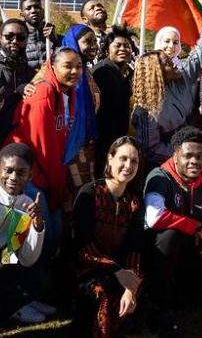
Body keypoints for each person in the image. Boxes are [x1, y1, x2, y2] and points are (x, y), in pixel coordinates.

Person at [144, 126, 202, 336]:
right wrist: (195, 226)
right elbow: (154, 217)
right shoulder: (159, 177)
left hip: (187, 256)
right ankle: (158, 307)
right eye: (188, 156)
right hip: (154, 258)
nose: (194, 161)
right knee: (169, 235)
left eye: (199, 156)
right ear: (175, 156)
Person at [5, 47, 82, 256]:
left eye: (79, 66)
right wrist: (57, 187)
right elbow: (42, 147)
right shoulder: (43, 91)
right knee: (35, 237)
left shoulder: (70, 93)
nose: (75, 71)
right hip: (24, 174)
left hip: (45, 172)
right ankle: (21, 278)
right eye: (68, 66)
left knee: (54, 233)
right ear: (52, 67)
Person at [132, 8, 202, 172]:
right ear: (157, 72)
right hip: (162, 168)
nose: (174, 63)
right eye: (167, 63)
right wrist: (180, 153)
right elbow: (150, 149)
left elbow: (200, 52)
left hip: (189, 157)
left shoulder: (184, 77)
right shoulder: (145, 110)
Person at [72, 136, 144, 338]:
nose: (128, 165)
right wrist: (116, 270)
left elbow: (135, 248)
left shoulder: (135, 202)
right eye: (123, 158)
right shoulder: (90, 194)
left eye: (134, 161)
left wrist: (132, 286)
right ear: (110, 159)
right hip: (87, 268)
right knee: (102, 295)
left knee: (127, 297)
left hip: (121, 270)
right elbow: (82, 245)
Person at [0, 143, 47, 332]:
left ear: (30, 176)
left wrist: (36, 225)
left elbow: (27, 259)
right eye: (8, 171)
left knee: (39, 280)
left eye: (21, 172)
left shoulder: (25, 206)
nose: (13, 177)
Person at [0, 19, 35, 178]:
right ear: (0, 37)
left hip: (14, 142)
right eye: (9, 36)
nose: (15, 41)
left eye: (21, 38)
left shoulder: (30, 71)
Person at [60, 24, 101, 193]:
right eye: (87, 42)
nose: (93, 46)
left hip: (87, 143)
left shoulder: (87, 72)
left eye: (94, 41)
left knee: (85, 190)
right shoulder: (60, 74)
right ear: (74, 43)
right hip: (68, 143)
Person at [92, 25, 135, 177]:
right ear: (106, 50)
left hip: (121, 138)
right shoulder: (101, 72)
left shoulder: (129, 73)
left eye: (127, 46)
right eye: (118, 45)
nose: (123, 49)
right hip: (103, 140)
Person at [20, 0, 60, 70]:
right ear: (22, 14)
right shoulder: (17, 39)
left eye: (37, 7)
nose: (33, 10)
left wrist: (55, 41)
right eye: (28, 8)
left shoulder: (56, 38)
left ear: (43, 11)